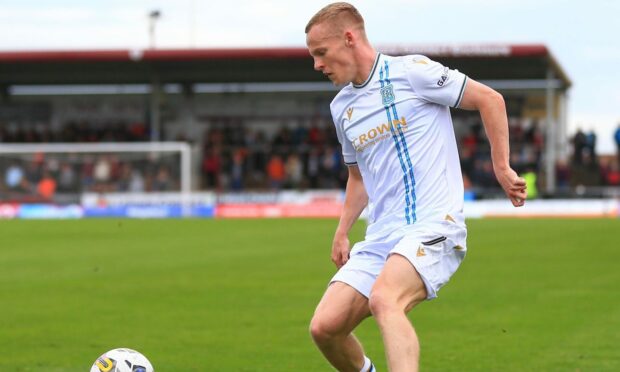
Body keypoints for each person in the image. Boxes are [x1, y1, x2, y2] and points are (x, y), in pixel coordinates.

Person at [304, 3, 527, 372]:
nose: (317, 65)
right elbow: (358, 176)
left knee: (385, 300)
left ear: (349, 38)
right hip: (381, 235)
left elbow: (490, 99)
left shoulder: (412, 72)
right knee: (325, 328)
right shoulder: (341, 107)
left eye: (320, 53)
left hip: (433, 224)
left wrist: (501, 166)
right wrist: (342, 230)